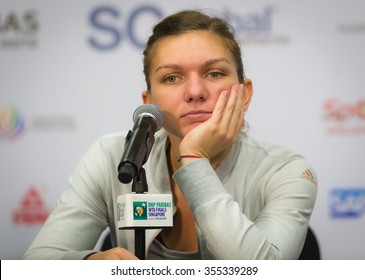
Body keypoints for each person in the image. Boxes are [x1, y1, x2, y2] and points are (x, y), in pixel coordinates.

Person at [23, 9, 317, 260]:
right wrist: (87, 264)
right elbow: (36, 263)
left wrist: (194, 158)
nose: (195, 92)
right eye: (171, 78)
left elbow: (263, 271)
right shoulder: (113, 156)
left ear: (245, 94)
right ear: (149, 102)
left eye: (214, 73)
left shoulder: (286, 170)